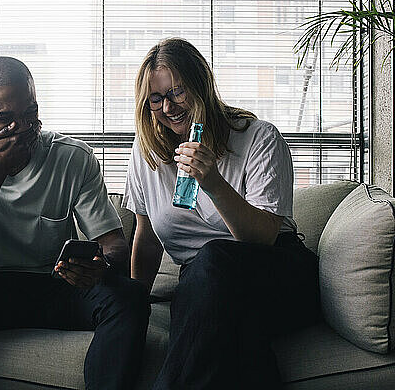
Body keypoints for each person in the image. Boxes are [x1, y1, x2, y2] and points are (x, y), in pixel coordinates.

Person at [0, 56, 150, 390]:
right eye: (5, 119)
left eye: (30, 114)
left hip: (56, 288)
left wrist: (100, 265)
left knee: (129, 295)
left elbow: (114, 245)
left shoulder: (73, 157)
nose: (22, 128)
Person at [123, 38, 320, 389]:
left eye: (178, 92)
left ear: (202, 85)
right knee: (238, 332)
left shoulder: (259, 137)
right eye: (156, 98)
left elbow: (262, 239)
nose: (169, 107)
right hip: (205, 288)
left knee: (212, 262)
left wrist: (213, 182)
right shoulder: (146, 151)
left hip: (276, 272)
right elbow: (147, 236)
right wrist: (134, 306)